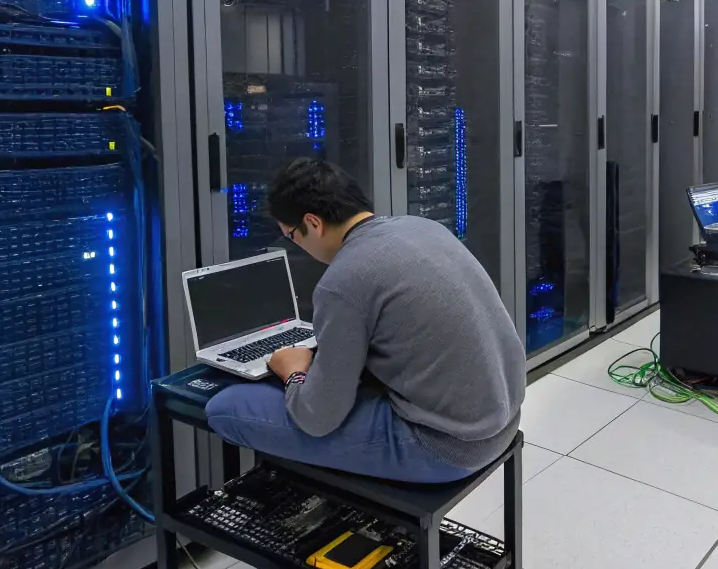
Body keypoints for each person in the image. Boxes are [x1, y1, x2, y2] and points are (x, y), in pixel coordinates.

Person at [205, 159, 525, 482]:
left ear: (313, 223)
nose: (294, 244)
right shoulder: (423, 227)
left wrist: (294, 373)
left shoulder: (343, 279)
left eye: (291, 235)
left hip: (445, 447)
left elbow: (318, 418)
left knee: (226, 407)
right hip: (504, 419)